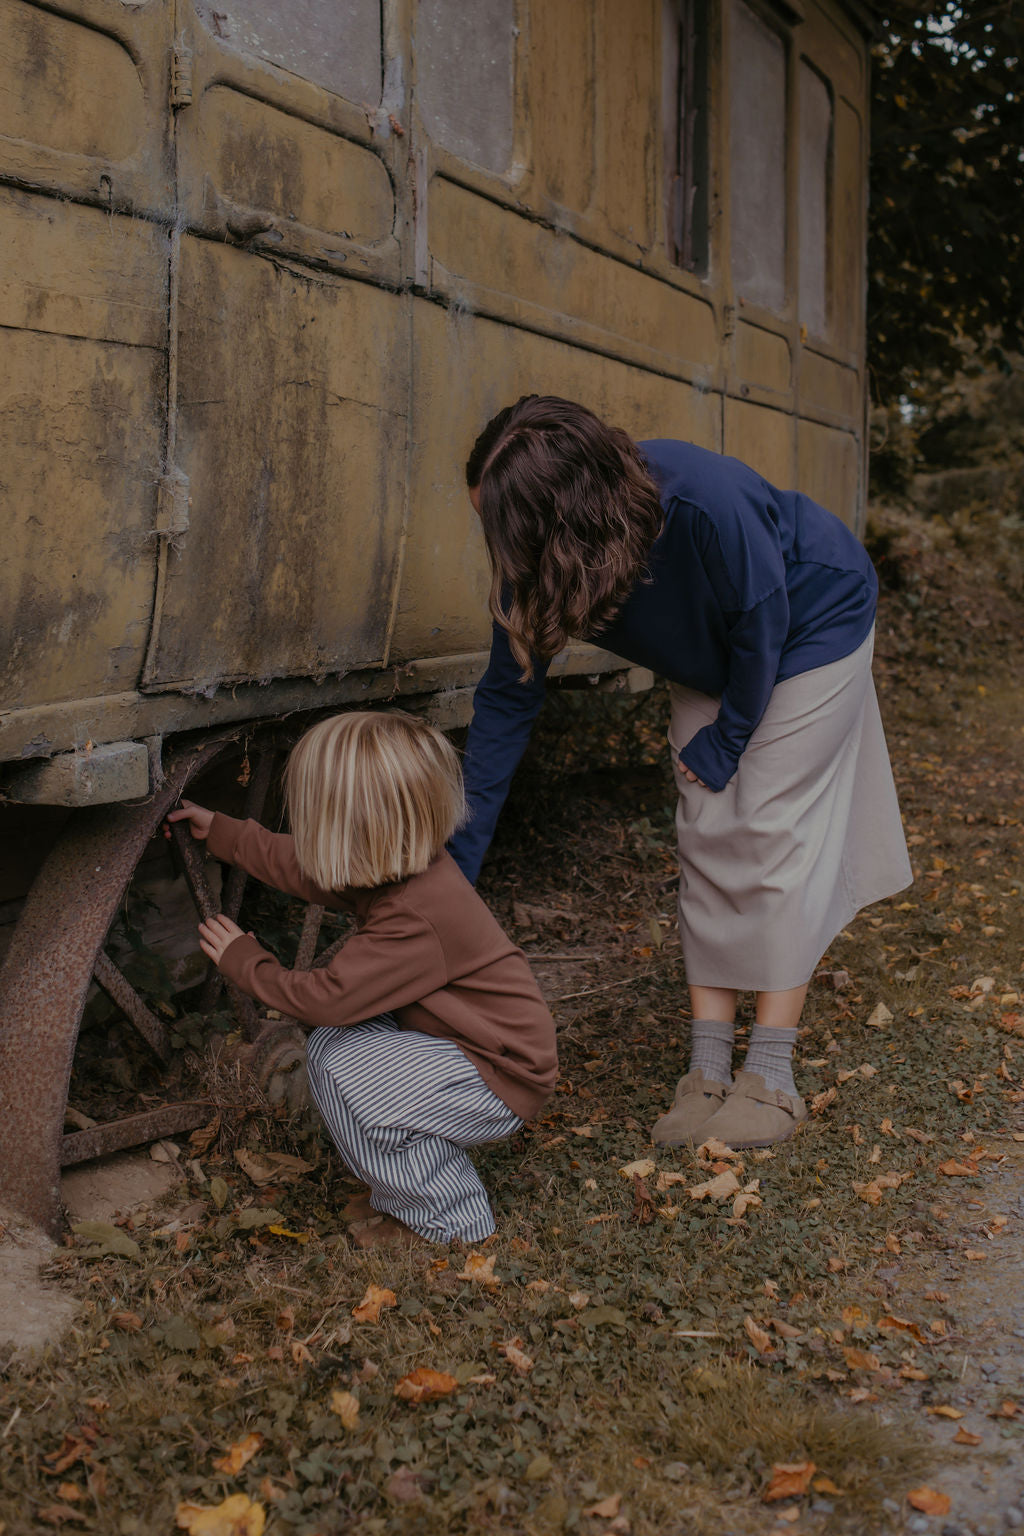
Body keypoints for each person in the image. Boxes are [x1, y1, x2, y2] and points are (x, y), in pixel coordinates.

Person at [449, 395, 911, 1150]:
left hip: (810, 624)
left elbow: (764, 620)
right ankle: (705, 1070)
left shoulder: (700, 498)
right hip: (719, 652)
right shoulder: (536, 560)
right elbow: (505, 705)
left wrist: (729, 743)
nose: (497, 545)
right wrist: (455, 865)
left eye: (505, 525)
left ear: (562, 514)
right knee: (703, 830)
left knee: (765, 823)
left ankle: (770, 1074)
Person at [167, 711, 557, 1247]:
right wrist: (228, 835)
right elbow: (305, 867)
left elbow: (327, 998)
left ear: (352, 828)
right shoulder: (402, 867)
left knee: (350, 1070)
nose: (305, 829)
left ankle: (452, 1224)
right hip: (459, 1051)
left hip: (497, 1076)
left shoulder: (416, 913)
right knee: (334, 1052)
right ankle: (403, 1194)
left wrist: (245, 960)